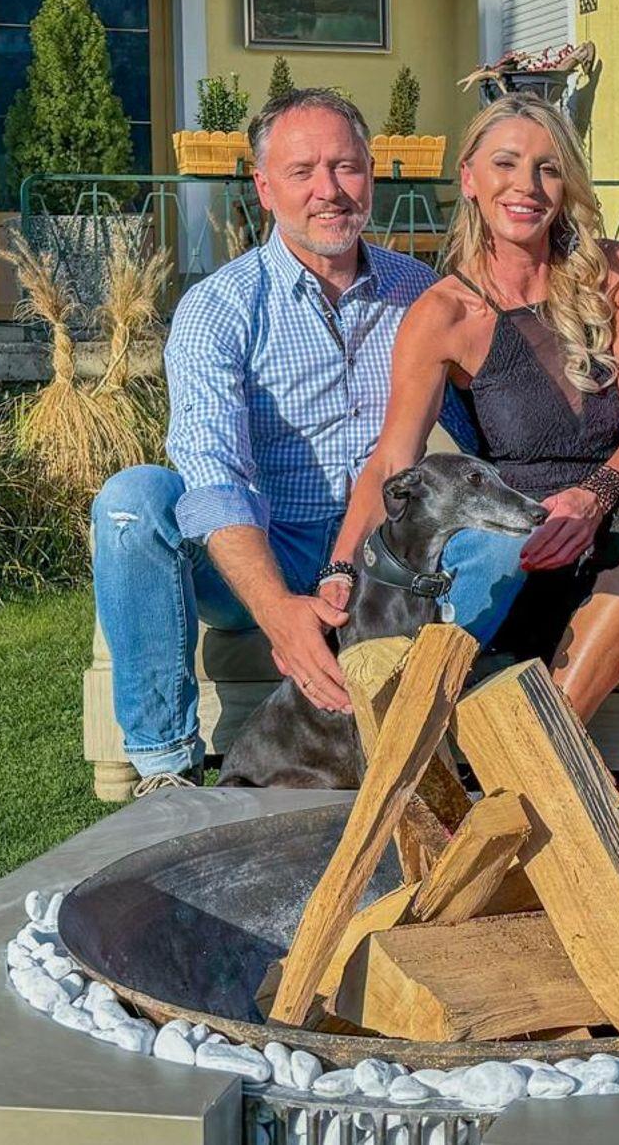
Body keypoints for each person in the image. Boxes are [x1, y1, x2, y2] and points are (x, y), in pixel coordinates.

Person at [330, 94, 619, 797]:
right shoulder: (443, 314)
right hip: (537, 537)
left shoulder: (614, 271)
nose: (528, 186)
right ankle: (524, 777)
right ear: (470, 177)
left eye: (548, 168)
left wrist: (595, 496)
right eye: (506, 164)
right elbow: (393, 459)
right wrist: (339, 571)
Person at [90, 89, 524, 796]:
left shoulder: (422, 294)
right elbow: (214, 476)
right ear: (265, 188)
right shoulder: (219, 307)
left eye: (346, 167)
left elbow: (491, 430)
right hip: (265, 549)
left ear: (371, 175)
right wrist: (278, 613)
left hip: (387, 555)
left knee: (499, 542)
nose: (329, 190)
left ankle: (422, 717)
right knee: (134, 498)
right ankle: (166, 771)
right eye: (302, 172)